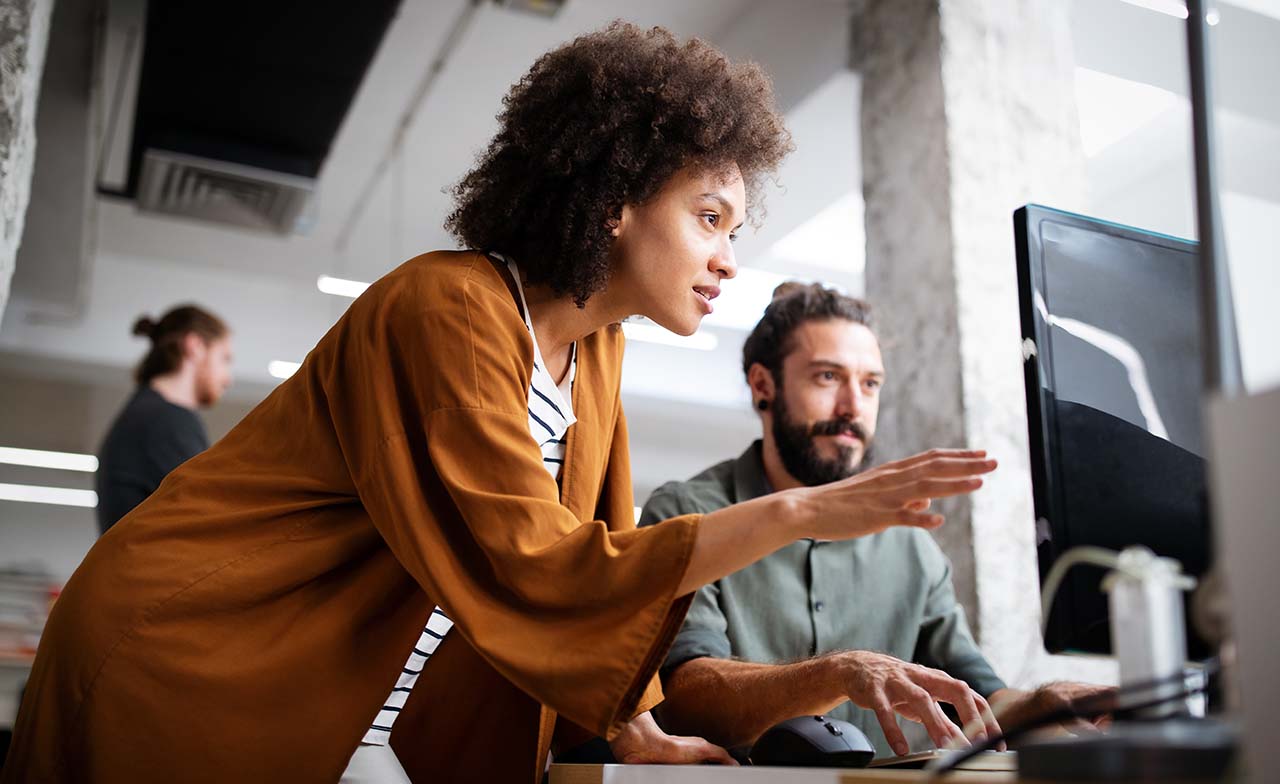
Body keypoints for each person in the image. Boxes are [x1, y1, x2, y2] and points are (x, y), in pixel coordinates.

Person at [2, 25, 997, 784]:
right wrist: (801, 511)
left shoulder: (593, 351)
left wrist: (635, 729)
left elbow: (598, 557)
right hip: (193, 652)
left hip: (350, 701)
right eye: (707, 217)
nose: (727, 259)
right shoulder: (446, 306)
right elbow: (538, 565)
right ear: (617, 196)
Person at [640, 282, 1109, 760]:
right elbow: (684, 699)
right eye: (827, 377)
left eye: (870, 384)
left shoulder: (910, 542)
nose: (853, 408)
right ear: (764, 385)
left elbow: (979, 698)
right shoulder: (687, 514)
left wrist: (1043, 705)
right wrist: (838, 673)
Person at [94, 305, 234, 534]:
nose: (228, 379)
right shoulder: (166, 420)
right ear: (195, 346)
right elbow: (209, 519)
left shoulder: (146, 413)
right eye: (224, 359)